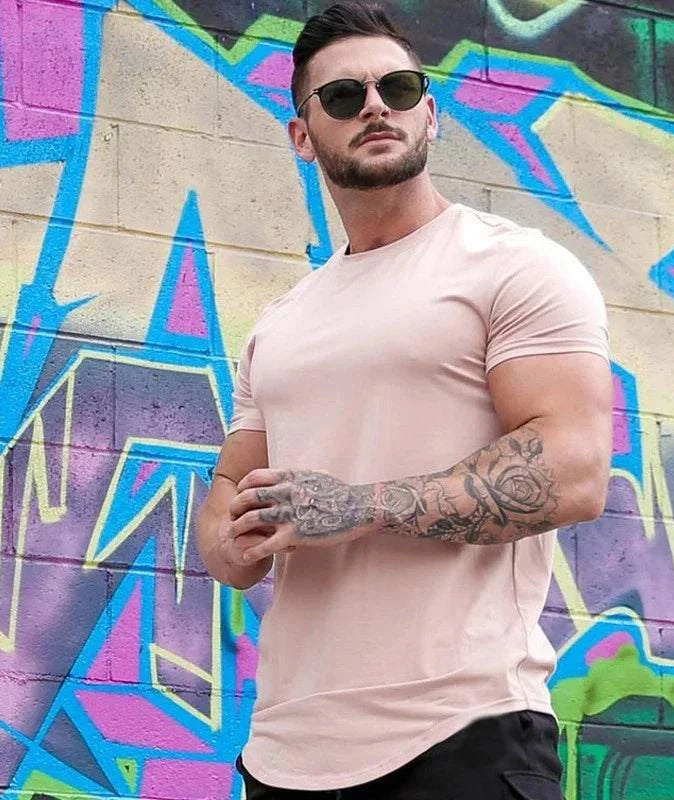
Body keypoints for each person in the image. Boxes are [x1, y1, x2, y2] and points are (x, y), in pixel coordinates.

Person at [196, 2, 612, 798]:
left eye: (399, 87)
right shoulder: (281, 323)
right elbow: (229, 494)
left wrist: (358, 507)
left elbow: (575, 471)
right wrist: (231, 544)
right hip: (285, 756)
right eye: (343, 96)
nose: (376, 106)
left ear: (431, 113)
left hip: (462, 735)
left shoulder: (514, 267)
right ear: (302, 135)